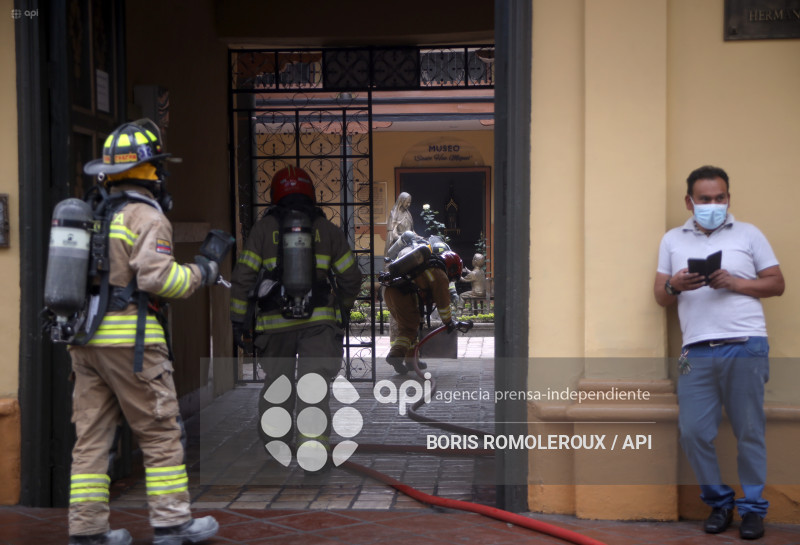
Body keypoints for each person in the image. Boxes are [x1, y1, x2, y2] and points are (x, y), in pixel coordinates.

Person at [68, 121, 220, 545]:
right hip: (131, 345)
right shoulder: (146, 216)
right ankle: (172, 524)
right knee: (159, 433)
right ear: (149, 171)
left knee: (91, 438)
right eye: (156, 168)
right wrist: (201, 272)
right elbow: (158, 281)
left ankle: (87, 531)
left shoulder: (93, 212)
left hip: (85, 342)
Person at [654, 165, 784, 540]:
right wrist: (676, 285)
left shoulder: (749, 234)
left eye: (720, 198)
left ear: (728, 198)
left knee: (749, 433)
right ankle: (719, 502)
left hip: (746, 344)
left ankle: (754, 510)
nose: (713, 204)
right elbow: (660, 295)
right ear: (689, 201)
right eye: (705, 199)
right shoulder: (672, 240)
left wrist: (736, 282)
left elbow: (777, 284)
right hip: (696, 350)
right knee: (693, 431)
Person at [230, 166, 362, 473]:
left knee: (278, 385)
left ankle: (277, 444)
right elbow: (351, 278)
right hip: (319, 324)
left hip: (275, 327)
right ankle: (313, 451)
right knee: (313, 387)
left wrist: (239, 323)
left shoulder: (262, 232)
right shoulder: (327, 231)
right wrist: (339, 308)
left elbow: (243, 279)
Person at [381, 239, 463, 375]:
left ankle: (411, 360)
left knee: (411, 327)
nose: (451, 280)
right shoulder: (440, 275)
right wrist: (448, 322)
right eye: (453, 278)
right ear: (452, 268)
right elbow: (443, 304)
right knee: (409, 328)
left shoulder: (428, 266)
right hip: (402, 294)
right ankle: (395, 355)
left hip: (390, 291)